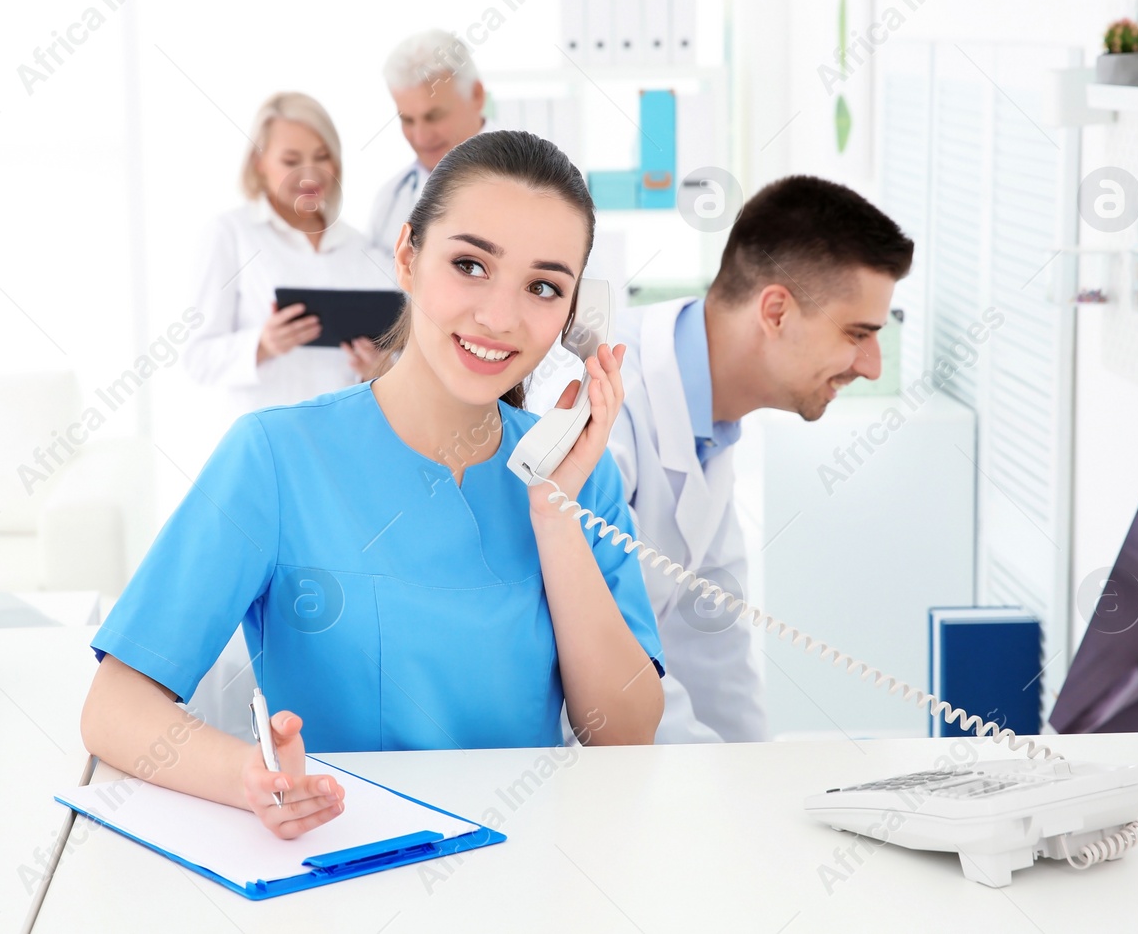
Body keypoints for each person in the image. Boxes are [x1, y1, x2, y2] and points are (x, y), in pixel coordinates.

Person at [82, 131, 664, 839]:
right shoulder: (275, 457)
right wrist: (251, 778)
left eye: (544, 286)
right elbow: (114, 708)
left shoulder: (578, 480)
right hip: (346, 869)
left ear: (576, 315)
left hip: (529, 870)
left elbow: (625, 735)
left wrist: (554, 515)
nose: (500, 316)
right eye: (470, 264)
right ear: (407, 256)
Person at [609, 175, 914, 743]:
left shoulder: (712, 426)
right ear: (775, 311)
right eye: (858, 333)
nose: (872, 365)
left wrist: (757, 778)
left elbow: (712, 646)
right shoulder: (609, 404)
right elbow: (606, 665)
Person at [184, 91, 391, 418]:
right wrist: (263, 345)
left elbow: (395, 363)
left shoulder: (363, 248)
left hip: (344, 436)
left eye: (322, 156)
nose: (309, 175)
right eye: (291, 161)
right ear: (259, 162)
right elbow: (198, 358)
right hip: (268, 441)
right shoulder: (230, 234)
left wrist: (378, 369)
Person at [367, 30, 489, 261]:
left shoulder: (538, 182)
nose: (421, 138)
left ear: (477, 95)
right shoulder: (389, 201)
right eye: (407, 120)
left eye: (434, 116)